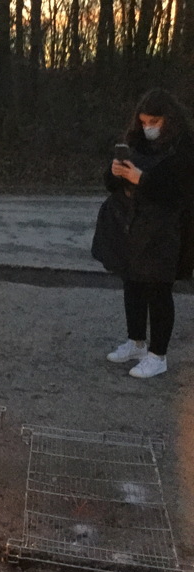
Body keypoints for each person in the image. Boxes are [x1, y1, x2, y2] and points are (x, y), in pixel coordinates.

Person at [92, 88, 194, 378]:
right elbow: (110, 184)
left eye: (154, 122)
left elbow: (180, 192)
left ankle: (158, 355)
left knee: (158, 289)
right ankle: (135, 342)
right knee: (133, 284)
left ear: (168, 119)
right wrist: (115, 173)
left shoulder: (183, 148)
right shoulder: (135, 142)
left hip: (165, 230)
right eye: (144, 121)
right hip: (132, 225)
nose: (148, 127)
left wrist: (142, 180)